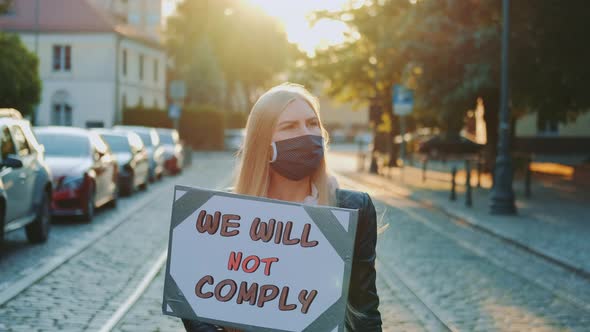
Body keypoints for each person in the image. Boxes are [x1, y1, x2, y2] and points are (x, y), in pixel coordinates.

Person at [182, 83, 382, 332]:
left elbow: (364, 310)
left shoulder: (353, 210)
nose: (306, 134)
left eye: (312, 124)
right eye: (290, 127)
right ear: (263, 145)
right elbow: (197, 308)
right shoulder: (224, 216)